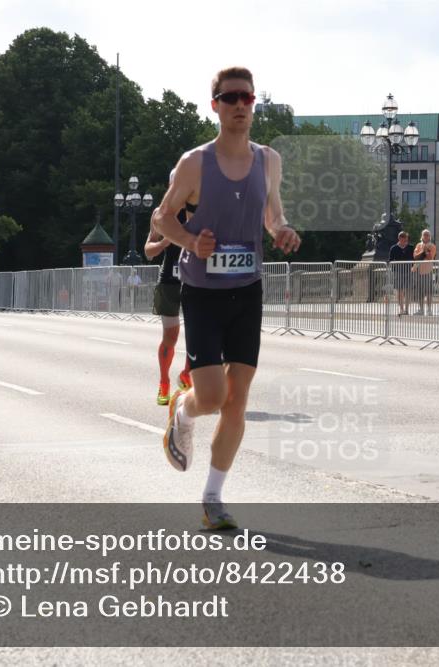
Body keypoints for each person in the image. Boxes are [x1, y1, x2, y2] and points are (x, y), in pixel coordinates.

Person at [151, 66, 301, 530]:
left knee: (237, 400)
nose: (240, 105)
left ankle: (213, 498)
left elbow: (272, 215)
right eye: (231, 97)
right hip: (202, 292)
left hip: (247, 289)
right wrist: (192, 242)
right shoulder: (195, 162)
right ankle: (182, 409)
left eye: (247, 98)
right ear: (214, 104)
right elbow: (161, 219)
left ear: (254, 104)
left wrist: (282, 231)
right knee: (212, 396)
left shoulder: (268, 161)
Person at [144, 170, 195, 406]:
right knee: (170, 337)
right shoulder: (160, 213)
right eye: (175, 184)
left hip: (195, 280)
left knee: (198, 335)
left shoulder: (198, 208)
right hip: (170, 281)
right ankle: (163, 383)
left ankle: (186, 375)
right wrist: (167, 239)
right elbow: (148, 251)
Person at [412, 229, 437, 316]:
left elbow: (430, 258)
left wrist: (425, 252)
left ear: (430, 237)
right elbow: (415, 257)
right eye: (424, 235)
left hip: (428, 271)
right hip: (418, 271)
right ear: (422, 236)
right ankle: (421, 309)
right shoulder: (418, 245)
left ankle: (429, 309)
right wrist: (424, 251)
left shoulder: (433, 246)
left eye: (427, 235)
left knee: (429, 291)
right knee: (420, 292)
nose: (426, 236)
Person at [388, 231, 412, 316]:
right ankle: (401, 309)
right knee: (400, 291)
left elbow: (414, 259)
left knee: (408, 290)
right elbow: (390, 260)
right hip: (398, 272)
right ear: (399, 238)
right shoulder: (393, 248)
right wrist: (395, 268)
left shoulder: (410, 247)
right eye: (402, 238)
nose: (403, 240)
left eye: (405, 238)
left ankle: (407, 309)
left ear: (406, 238)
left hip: (408, 271)